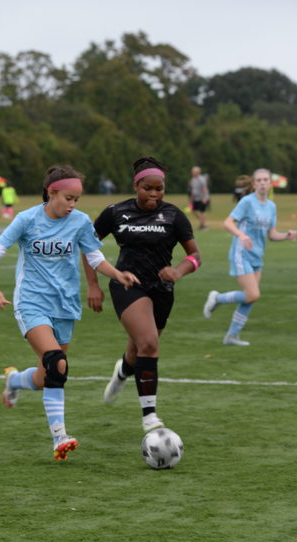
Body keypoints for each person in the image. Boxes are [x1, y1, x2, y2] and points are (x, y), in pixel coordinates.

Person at [0, 164, 139, 461]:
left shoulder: (80, 222)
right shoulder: (27, 219)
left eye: (77, 199)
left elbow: (94, 257)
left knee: (46, 376)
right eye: (68, 198)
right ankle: (60, 437)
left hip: (66, 306)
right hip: (31, 303)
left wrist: (117, 274)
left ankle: (14, 381)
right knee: (57, 363)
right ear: (51, 193)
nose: (73, 204)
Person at [83, 156, 201, 433]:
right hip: (127, 284)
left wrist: (178, 271)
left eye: (159, 189)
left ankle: (123, 370)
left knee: (138, 351)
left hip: (162, 289)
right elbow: (87, 244)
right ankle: (150, 416)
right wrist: (93, 285)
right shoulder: (116, 212)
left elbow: (195, 255)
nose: (154, 194)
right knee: (149, 343)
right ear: (136, 186)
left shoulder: (174, 215)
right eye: (148, 188)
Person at [203, 168, 297, 346]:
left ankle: (231, 336)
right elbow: (227, 223)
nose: (262, 183)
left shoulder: (271, 206)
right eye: (259, 180)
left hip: (257, 256)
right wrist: (241, 235)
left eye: (265, 180)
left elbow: (272, 234)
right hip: (241, 253)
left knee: (250, 297)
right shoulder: (247, 202)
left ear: (270, 183)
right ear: (254, 184)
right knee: (253, 294)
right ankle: (217, 298)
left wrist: (286, 235)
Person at [188, 166, 210, 230]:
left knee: (202, 211)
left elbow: (204, 188)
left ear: (198, 172)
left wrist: (204, 198)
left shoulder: (201, 179)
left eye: (193, 172)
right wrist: (191, 199)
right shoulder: (193, 179)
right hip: (196, 198)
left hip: (202, 198)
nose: (192, 173)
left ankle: (204, 226)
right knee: (193, 210)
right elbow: (193, 190)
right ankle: (202, 223)